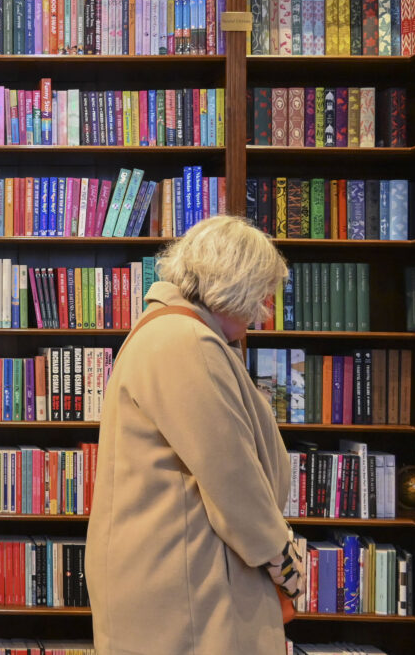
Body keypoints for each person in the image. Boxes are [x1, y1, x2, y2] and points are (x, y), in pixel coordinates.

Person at [84, 215, 304, 654]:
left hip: (177, 572)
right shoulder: (186, 341)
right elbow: (231, 477)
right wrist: (283, 559)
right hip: (189, 583)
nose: (263, 311)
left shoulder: (168, 332)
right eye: (260, 294)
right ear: (234, 286)